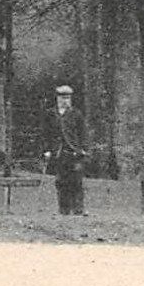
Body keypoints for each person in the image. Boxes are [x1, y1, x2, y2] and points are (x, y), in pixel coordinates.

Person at [44, 84, 87, 216]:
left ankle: (78, 209)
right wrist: (47, 150)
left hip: (74, 152)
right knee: (61, 181)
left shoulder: (76, 114)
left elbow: (83, 133)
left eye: (67, 98)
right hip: (58, 152)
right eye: (62, 98)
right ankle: (64, 209)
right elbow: (46, 133)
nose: (65, 101)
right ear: (57, 99)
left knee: (76, 181)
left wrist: (83, 149)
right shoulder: (50, 114)